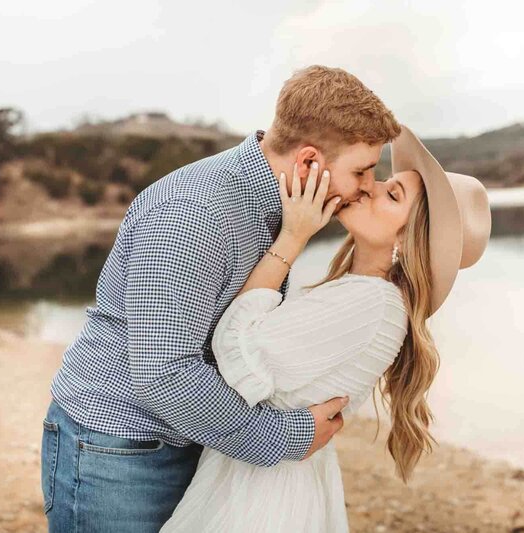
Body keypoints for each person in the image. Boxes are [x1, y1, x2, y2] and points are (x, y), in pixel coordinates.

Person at [40, 65, 401, 533]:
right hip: (122, 447)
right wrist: (285, 436)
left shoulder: (284, 210)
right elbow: (164, 375)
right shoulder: (197, 213)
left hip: (191, 435)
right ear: (309, 162)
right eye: (361, 171)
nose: (367, 186)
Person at [160, 124, 491, 532]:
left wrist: (293, 237)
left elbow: (233, 355)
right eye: (382, 179)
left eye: (392, 195)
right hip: (264, 479)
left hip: (263, 501)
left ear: (407, 239)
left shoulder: (372, 303)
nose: (370, 187)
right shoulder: (366, 295)